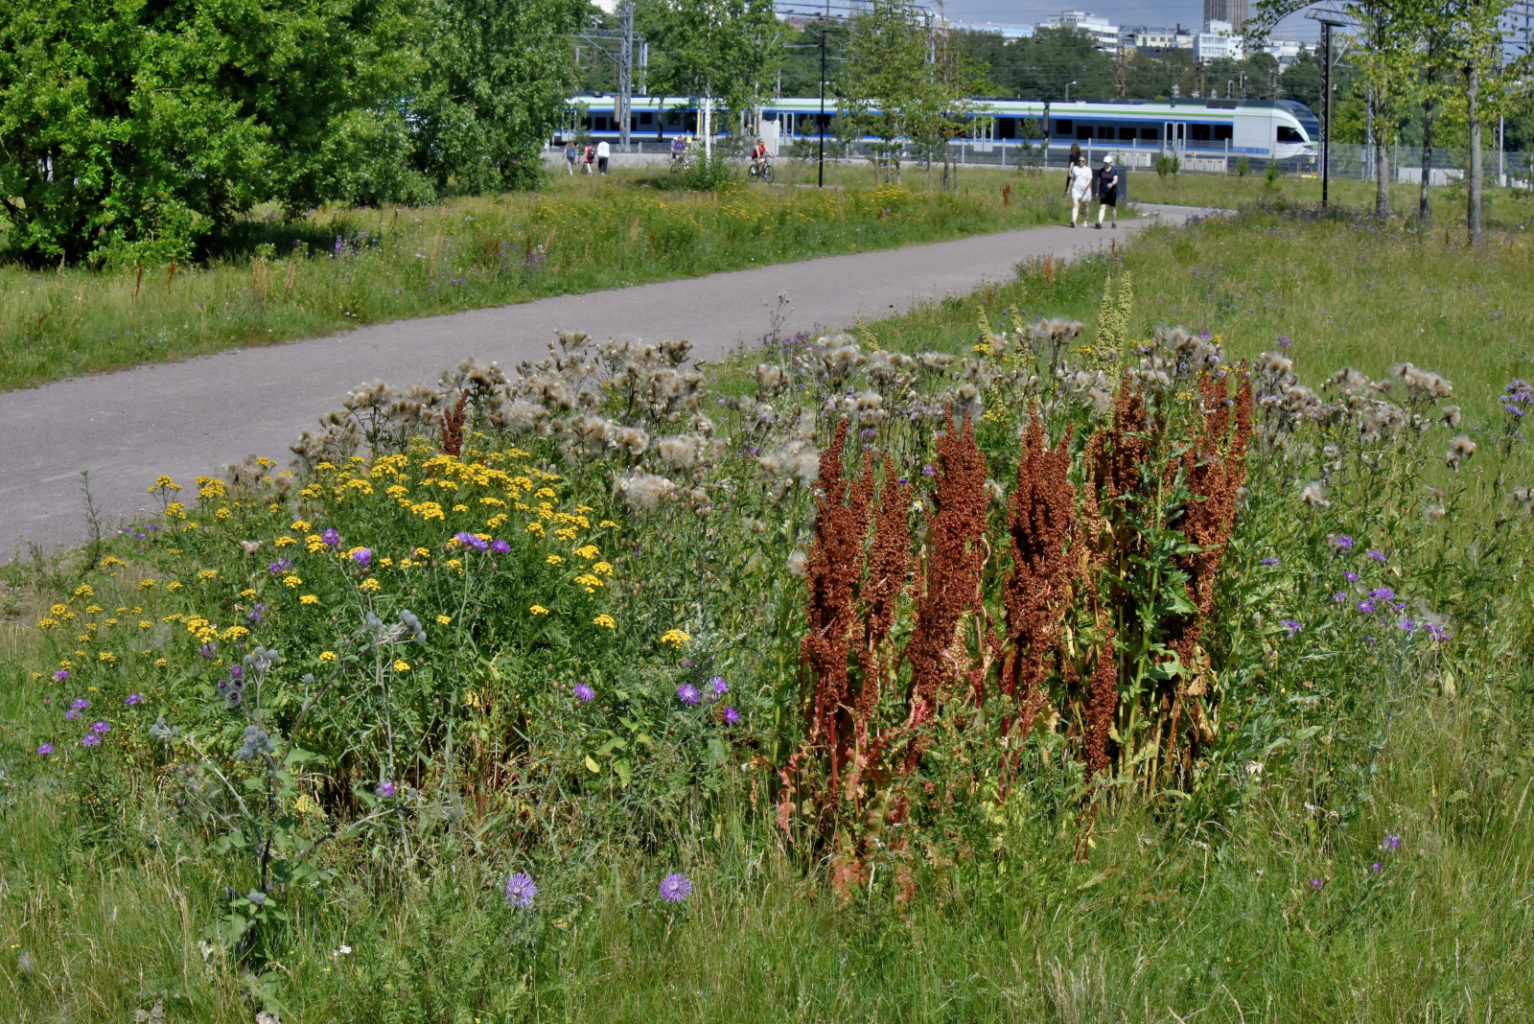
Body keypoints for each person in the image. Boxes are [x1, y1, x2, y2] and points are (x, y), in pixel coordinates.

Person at [1066, 154, 1092, 228]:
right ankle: (1074, 220)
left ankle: (1085, 221)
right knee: (1075, 204)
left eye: (1082, 161)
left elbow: (1089, 180)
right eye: (1080, 161)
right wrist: (1068, 189)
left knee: (1085, 205)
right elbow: (1072, 179)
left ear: (1085, 161)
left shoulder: (1088, 170)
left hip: (1085, 190)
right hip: (1076, 189)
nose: (1081, 162)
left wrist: (1085, 186)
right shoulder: (1075, 168)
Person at [1095, 155, 1119, 229]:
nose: (1106, 164)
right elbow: (1099, 182)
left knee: (1112, 208)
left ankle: (1114, 222)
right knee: (1102, 207)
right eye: (1105, 163)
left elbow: (1115, 180)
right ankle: (1099, 222)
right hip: (1103, 191)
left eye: (1108, 163)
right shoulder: (1101, 171)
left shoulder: (1114, 170)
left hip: (1112, 192)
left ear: (1111, 163)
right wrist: (1097, 191)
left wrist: (1112, 184)